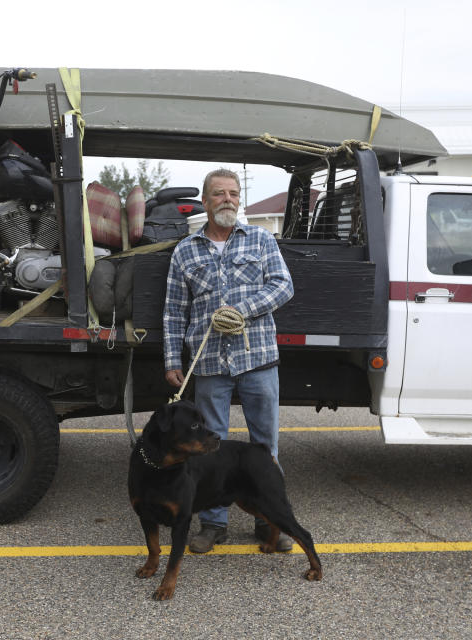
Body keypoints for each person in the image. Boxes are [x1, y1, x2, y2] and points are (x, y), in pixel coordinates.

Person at [163, 168, 294, 553]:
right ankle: (213, 524)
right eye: (218, 194)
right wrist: (173, 360)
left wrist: (243, 309)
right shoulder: (185, 251)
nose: (228, 199)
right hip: (209, 367)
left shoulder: (261, 239)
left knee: (264, 447)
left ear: (241, 200)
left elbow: (283, 285)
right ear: (204, 202)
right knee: (208, 449)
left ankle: (270, 521)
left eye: (233, 193)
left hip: (258, 361)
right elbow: (174, 310)